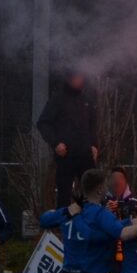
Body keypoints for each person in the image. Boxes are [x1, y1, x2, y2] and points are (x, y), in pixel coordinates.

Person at [36, 71, 99, 207]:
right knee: (64, 194)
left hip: (85, 154)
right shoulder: (58, 99)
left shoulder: (87, 100)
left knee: (92, 192)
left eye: (81, 77)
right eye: (77, 77)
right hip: (66, 155)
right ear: (69, 79)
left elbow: (92, 125)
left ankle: (91, 224)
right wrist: (56, 143)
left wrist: (94, 145)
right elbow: (43, 123)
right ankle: (64, 224)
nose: (79, 80)